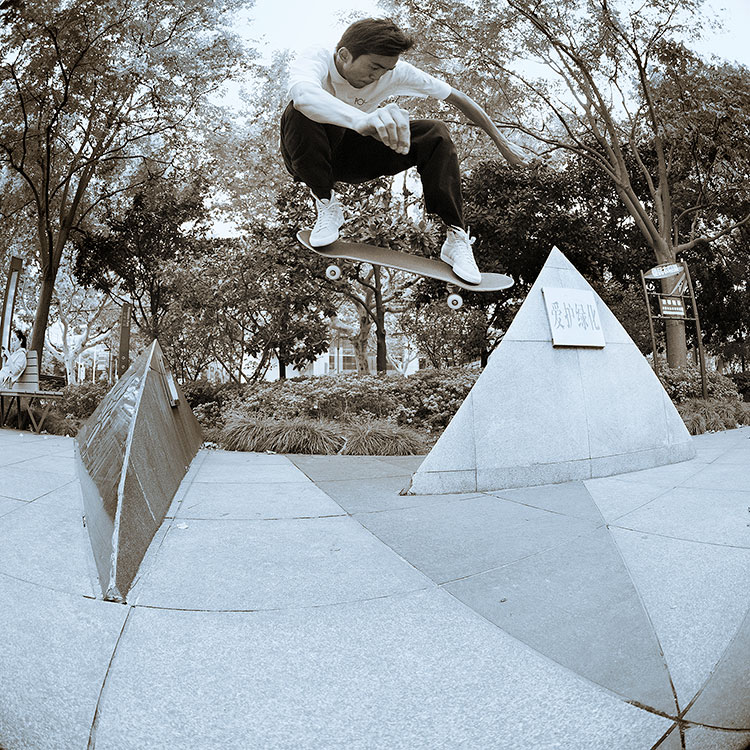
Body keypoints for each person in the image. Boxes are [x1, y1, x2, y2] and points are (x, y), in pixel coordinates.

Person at [280, 17, 526, 284]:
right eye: (374, 67)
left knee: (435, 132)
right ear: (344, 55)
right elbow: (304, 96)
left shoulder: (396, 72)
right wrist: (361, 120)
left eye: (386, 70)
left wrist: (502, 143)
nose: (378, 76)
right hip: (307, 155)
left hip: (355, 158)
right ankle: (326, 203)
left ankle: (455, 235)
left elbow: (459, 98)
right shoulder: (316, 58)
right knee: (299, 111)